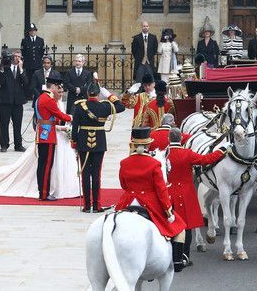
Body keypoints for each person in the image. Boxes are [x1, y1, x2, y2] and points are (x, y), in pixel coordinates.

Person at [115, 127, 187, 272]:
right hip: (149, 202)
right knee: (180, 228)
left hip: (127, 201)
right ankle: (177, 262)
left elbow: (123, 184)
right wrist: (168, 211)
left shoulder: (124, 162)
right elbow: (161, 191)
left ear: (134, 144)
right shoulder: (154, 164)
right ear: (148, 145)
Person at [167, 128, 230, 266]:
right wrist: (221, 150)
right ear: (181, 139)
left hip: (168, 192)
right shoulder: (187, 153)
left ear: (169, 139)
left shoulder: (162, 154)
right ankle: (184, 255)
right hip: (186, 192)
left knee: (170, 225)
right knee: (186, 226)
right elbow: (206, 160)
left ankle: (170, 255)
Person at [71, 80, 125, 212]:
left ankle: (87, 205)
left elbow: (74, 127)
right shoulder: (105, 107)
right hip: (99, 142)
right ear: (99, 94)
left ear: (87, 93)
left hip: (83, 142)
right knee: (96, 174)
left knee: (85, 174)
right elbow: (121, 107)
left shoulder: (79, 106)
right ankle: (96, 206)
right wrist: (109, 95)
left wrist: (74, 142)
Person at [35, 76, 73, 201]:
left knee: (42, 164)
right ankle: (44, 193)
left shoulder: (41, 97)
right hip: (48, 135)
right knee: (46, 165)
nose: (58, 89)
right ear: (52, 87)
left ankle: (42, 191)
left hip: (42, 133)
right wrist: (72, 118)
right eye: (57, 87)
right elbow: (59, 115)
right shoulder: (49, 99)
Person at [0, 49, 28, 153]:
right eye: (15, 56)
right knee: (4, 123)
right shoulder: (5, 67)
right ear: (11, 57)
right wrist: (1, 67)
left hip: (18, 101)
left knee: (17, 124)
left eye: (19, 57)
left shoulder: (22, 69)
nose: (17, 58)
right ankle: (4, 145)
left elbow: (26, 82)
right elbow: (1, 82)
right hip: (5, 100)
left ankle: (18, 145)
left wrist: (21, 69)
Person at [20, 23, 45, 95]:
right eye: (31, 31)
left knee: (38, 79)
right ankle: (29, 94)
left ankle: (38, 94)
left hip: (37, 64)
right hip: (29, 64)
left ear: (36, 31)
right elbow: (23, 52)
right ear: (29, 32)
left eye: (34, 30)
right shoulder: (24, 40)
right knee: (29, 79)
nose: (32, 32)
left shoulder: (40, 40)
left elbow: (41, 52)